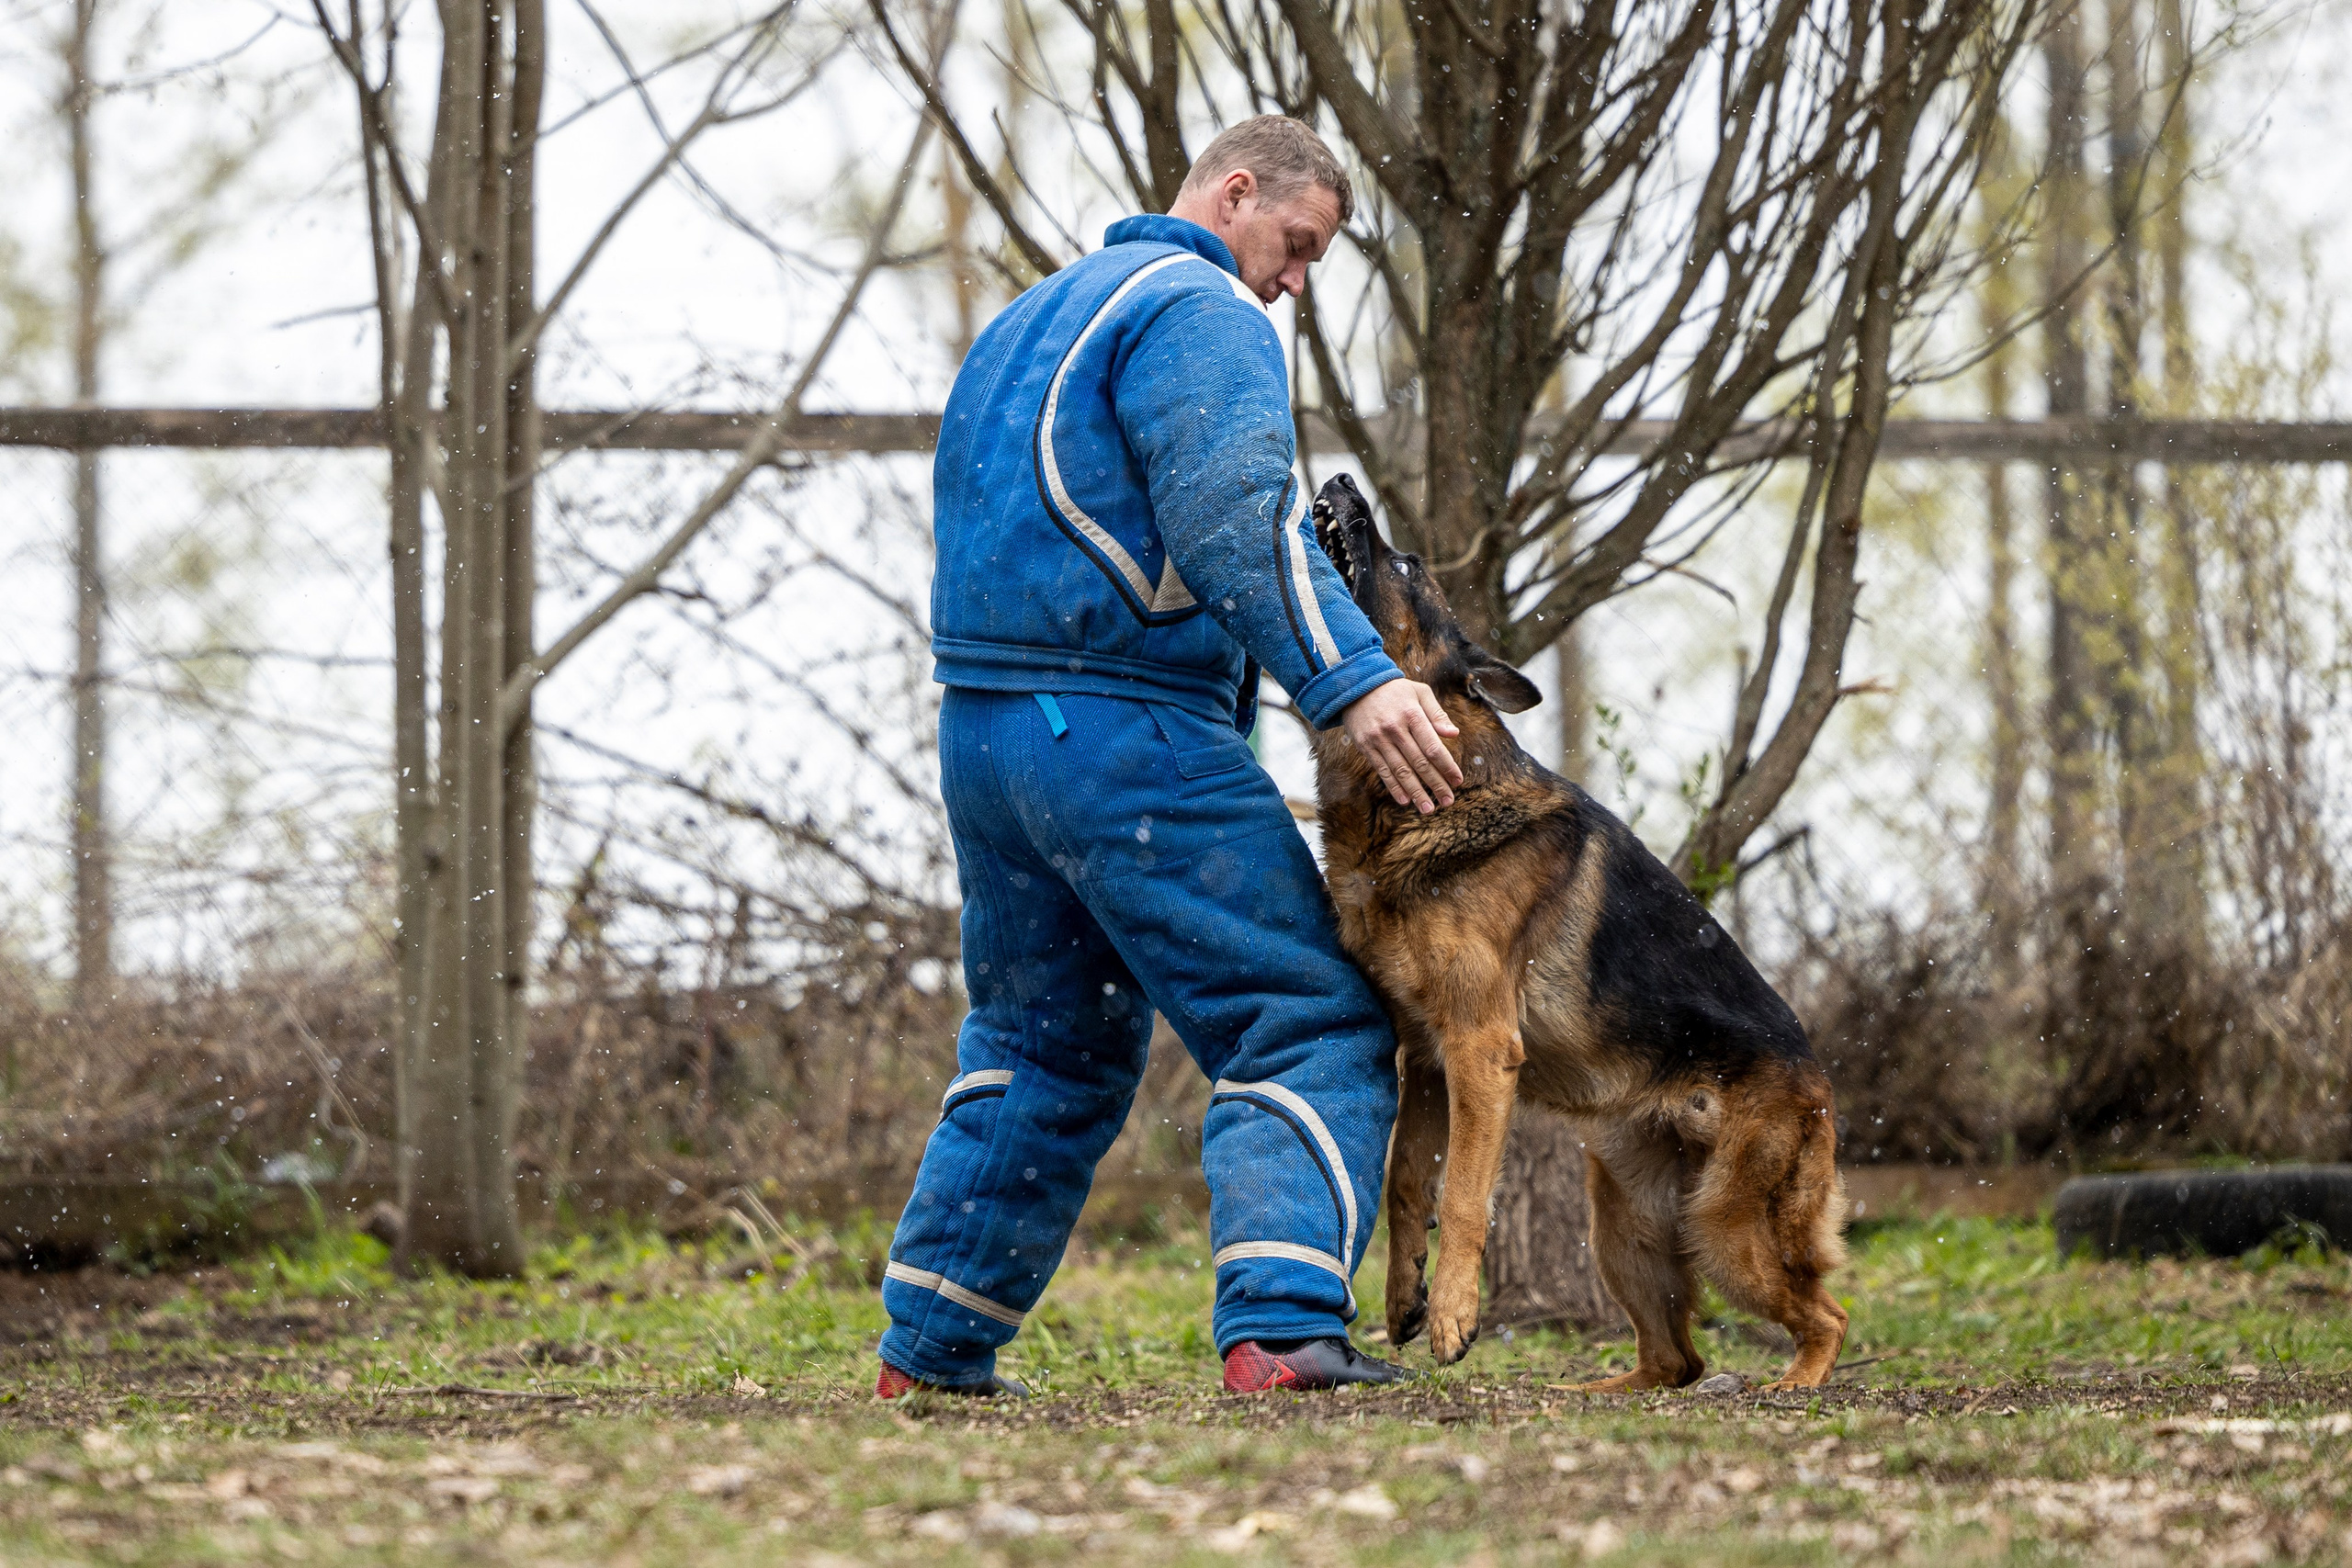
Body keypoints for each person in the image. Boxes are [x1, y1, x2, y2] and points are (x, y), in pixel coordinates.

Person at [876, 116, 1462, 1398]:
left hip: (987, 732)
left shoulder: (1032, 317)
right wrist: (1354, 682)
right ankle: (1284, 1329)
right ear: (1235, 192)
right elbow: (1234, 512)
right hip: (1124, 728)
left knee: (1046, 1043)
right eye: (1296, 244)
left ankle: (929, 1350)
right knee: (1305, 1012)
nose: (1293, 281)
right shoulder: (1198, 307)